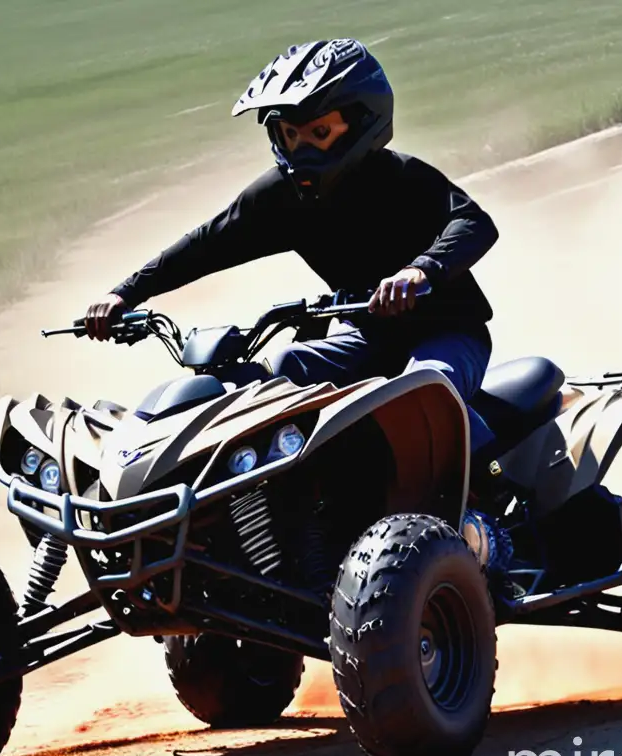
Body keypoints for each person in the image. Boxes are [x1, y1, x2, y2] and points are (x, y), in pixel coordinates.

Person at [83, 38, 500, 455]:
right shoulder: (280, 198)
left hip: (449, 333)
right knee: (280, 372)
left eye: (319, 132)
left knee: (425, 391)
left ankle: (499, 496)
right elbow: (204, 245)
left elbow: (474, 222)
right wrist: (125, 292)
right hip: (366, 337)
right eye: (289, 134)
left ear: (361, 121)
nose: (300, 149)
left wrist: (421, 270)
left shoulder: (403, 177)